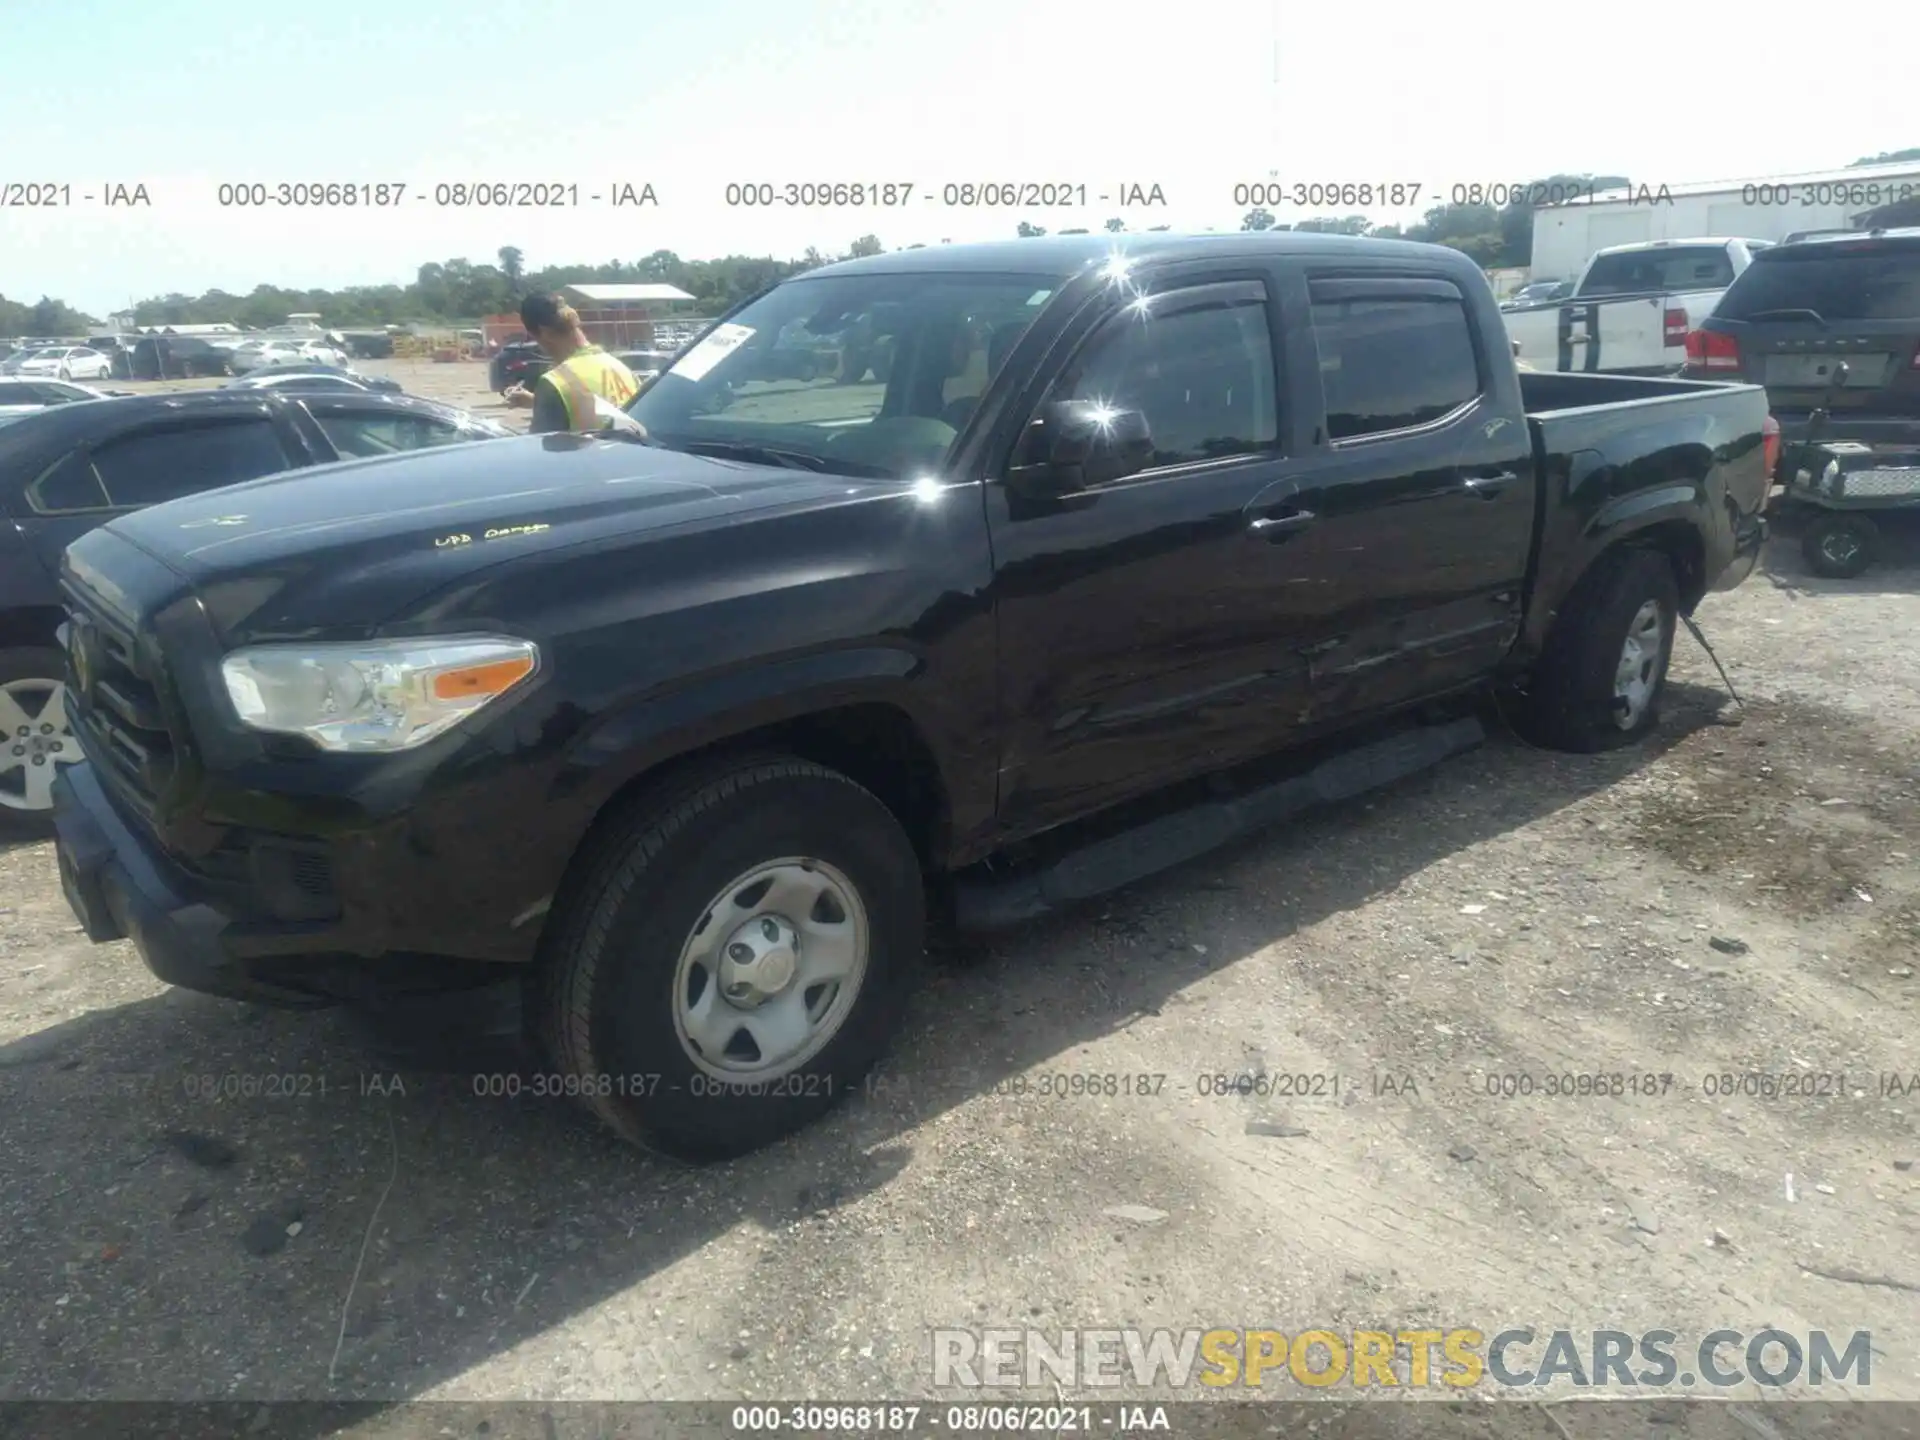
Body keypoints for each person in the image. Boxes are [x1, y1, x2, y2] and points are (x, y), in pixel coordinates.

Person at [505, 293, 643, 433]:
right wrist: (539, 402)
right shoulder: (623, 370)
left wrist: (547, 399)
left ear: (544, 333)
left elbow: (541, 451)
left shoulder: (556, 382)